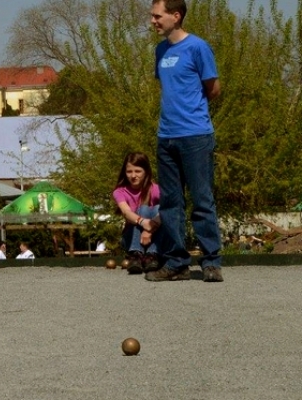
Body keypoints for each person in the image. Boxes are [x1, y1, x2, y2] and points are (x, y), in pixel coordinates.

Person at [148, 0, 223, 282]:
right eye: (152, 16)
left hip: (196, 136)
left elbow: (213, 88)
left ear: (176, 16)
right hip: (166, 137)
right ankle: (176, 263)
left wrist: (192, 113)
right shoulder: (160, 50)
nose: (153, 21)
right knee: (170, 202)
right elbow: (169, 88)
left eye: (158, 16)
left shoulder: (198, 47)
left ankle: (211, 262)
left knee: (202, 200)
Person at [113, 152, 162, 274]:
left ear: (146, 171)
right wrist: (143, 222)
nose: (133, 175)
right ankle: (135, 254)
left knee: (158, 208)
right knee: (143, 209)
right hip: (131, 236)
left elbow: (169, 211)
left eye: (138, 171)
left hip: (154, 236)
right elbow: (126, 212)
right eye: (129, 171)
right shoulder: (120, 192)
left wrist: (149, 229)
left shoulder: (156, 189)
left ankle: (152, 254)